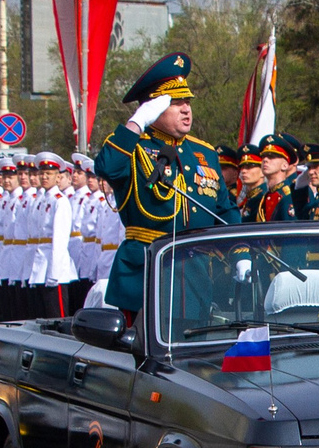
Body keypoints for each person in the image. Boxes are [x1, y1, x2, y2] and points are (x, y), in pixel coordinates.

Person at [94, 54, 239, 314]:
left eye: (188, 101)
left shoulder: (203, 153)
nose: (186, 108)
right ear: (153, 108)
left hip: (196, 279)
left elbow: (224, 210)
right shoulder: (134, 146)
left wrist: (240, 252)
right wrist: (136, 122)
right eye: (175, 102)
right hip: (146, 275)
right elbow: (106, 167)